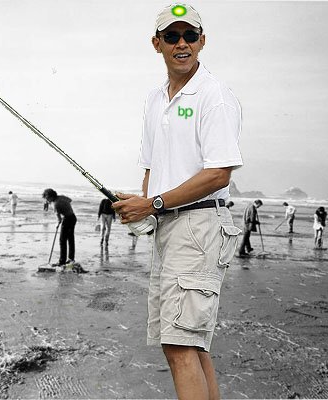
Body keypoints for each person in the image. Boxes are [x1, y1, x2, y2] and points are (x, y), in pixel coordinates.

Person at [111, 4, 243, 399]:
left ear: (203, 41)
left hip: (200, 227)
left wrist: (152, 205)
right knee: (190, 342)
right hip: (171, 226)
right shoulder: (154, 100)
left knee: (180, 344)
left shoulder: (215, 96)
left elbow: (219, 173)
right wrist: (143, 206)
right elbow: (152, 167)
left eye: (189, 36)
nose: (181, 44)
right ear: (157, 44)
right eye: (172, 36)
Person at [42, 188, 77, 266]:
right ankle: (71, 259)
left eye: (47, 199)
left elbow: (59, 218)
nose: (47, 200)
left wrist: (57, 224)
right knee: (70, 238)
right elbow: (70, 200)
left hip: (67, 219)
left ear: (51, 197)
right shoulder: (61, 197)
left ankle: (62, 261)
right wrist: (65, 207)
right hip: (73, 217)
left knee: (62, 240)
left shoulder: (55, 204)